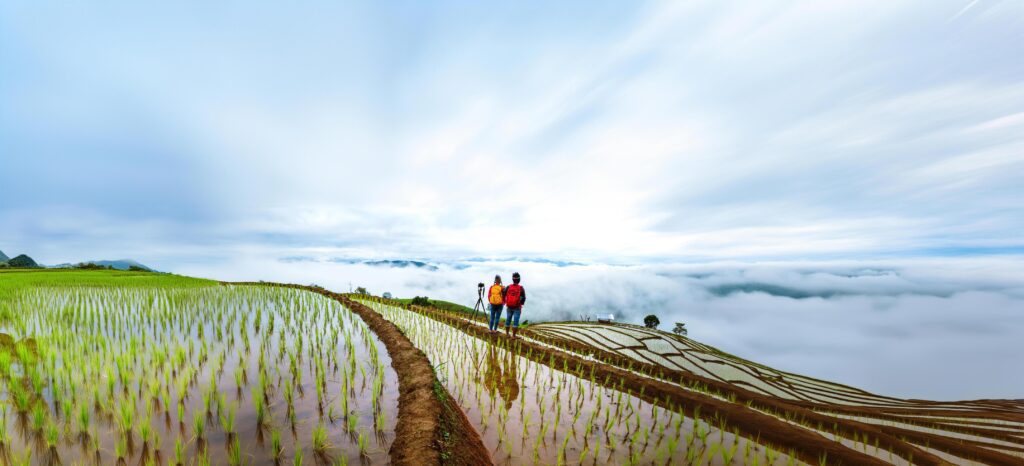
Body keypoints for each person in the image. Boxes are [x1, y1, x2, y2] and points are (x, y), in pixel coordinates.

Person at [504, 272, 526, 338]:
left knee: (508, 320)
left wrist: (507, 301)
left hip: (509, 306)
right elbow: (523, 298)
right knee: (515, 322)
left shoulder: (508, 287)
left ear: (513, 279)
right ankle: (513, 336)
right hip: (517, 307)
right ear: (519, 280)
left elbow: (504, 294)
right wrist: (520, 303)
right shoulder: (521, 288)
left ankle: (507, 334)